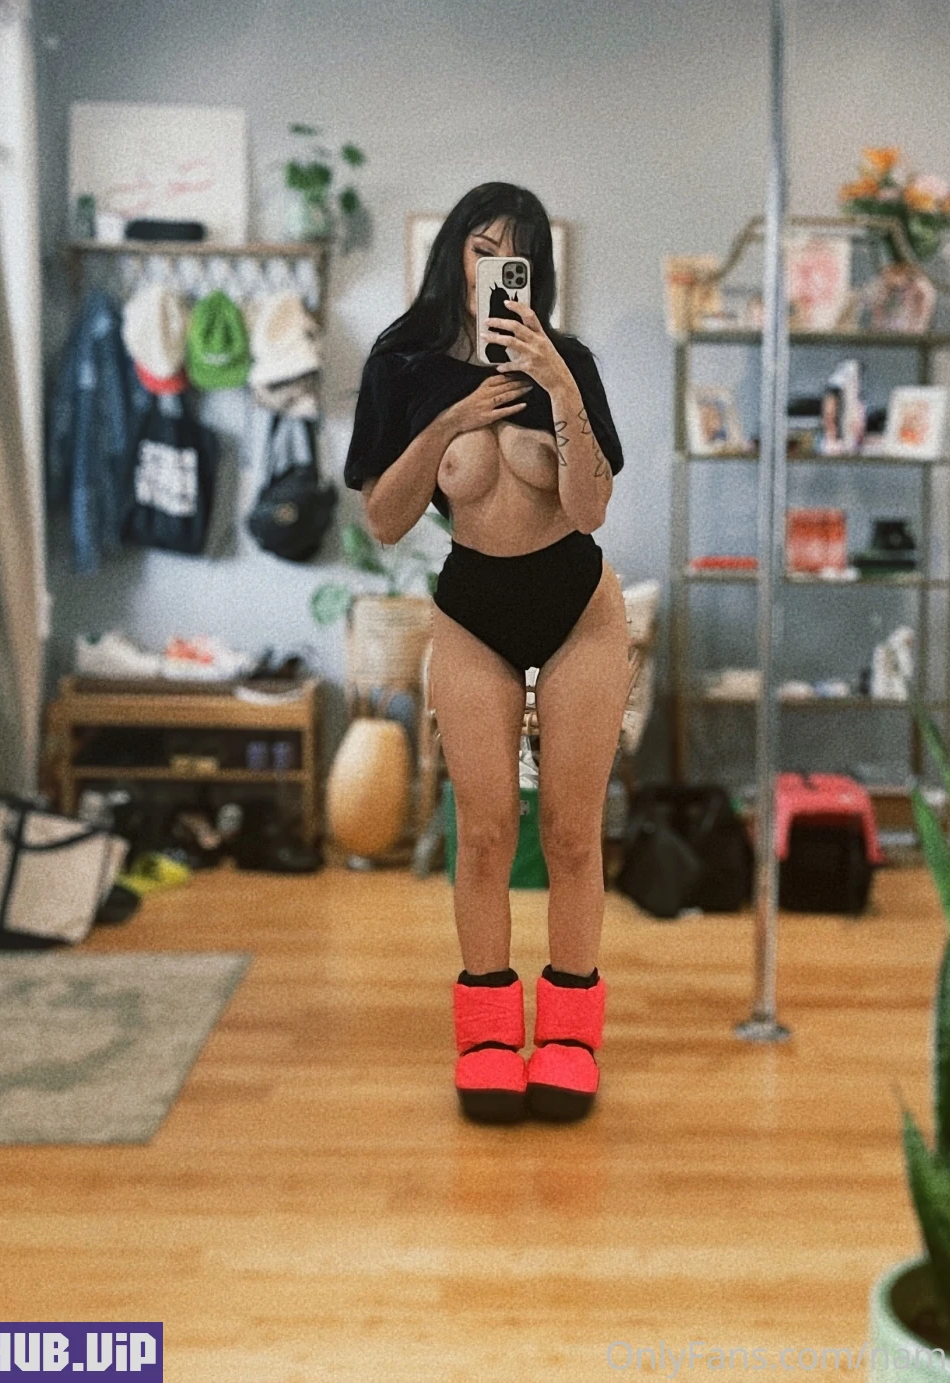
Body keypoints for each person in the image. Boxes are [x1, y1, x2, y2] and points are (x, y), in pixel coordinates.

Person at [343, 182, 629, 1124]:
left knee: (572, 833)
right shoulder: (403, 365)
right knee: (486, 831)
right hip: (473, 611)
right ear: (455, 256)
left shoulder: (567, 362)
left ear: (534, 270)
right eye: (482, 245)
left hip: (579, 607)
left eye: (517, 250)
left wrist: (558, 385)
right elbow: (385, 520)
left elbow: (590, 509)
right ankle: (490, 1039)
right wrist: (449, 424)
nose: (498, 263)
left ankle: (571, 1038)